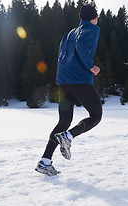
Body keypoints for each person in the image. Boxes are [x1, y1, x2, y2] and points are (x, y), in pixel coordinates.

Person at [35, 5, 102, 176]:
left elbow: (62, 56)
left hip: (64, 83)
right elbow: (81, 47)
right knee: (96, 115)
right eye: (96, 16)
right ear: (93, 17)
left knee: (63, 122)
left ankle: (45, 162)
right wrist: (91, 67)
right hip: (80, 81)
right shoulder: (92, 30)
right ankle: (69, 137)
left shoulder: (68, 34)